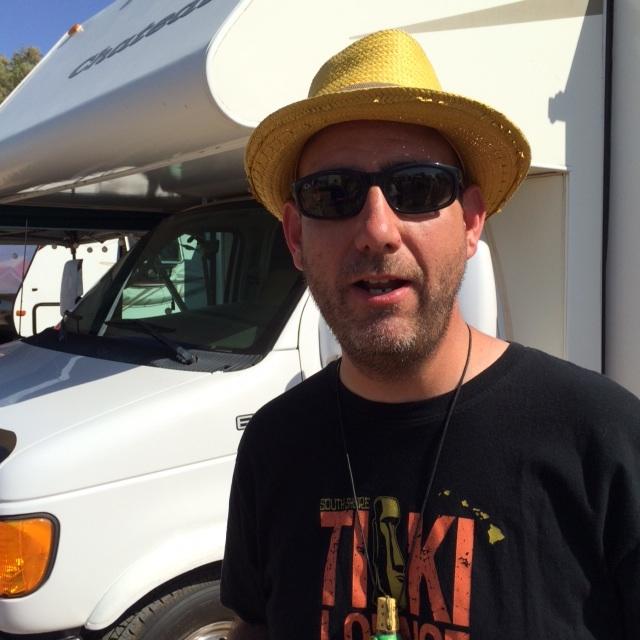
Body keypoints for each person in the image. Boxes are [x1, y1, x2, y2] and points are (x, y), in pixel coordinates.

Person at [221, 30, 640, 639]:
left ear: (471, 222)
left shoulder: (603, 440)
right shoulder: (272, 445)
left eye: (417, 188)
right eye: (332, 194)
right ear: (294, 237)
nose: (377, 230)